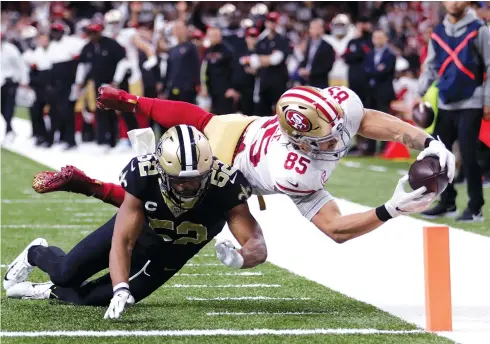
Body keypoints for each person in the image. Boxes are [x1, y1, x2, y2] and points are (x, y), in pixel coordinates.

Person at [36, 84, 455, 244]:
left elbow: (364, 119)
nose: (338, 136)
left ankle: (129, 112)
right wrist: (392, 209)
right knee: (163, 213)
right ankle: (88, 185)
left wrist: (426, 141)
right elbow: (335, 229)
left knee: (202, 118)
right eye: (325, 136)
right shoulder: (294, 170)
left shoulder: (337, 107)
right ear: (302, 141)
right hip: (225, 169)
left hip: (236, 126)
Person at [5, 125, 267, 320]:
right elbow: (123, 241)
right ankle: (35, 252)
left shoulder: (226, 186)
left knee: (95, 299)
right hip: (140, 232)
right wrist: (120, 286)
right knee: (65, 273)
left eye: (196, 179)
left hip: (171, 255)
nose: (187, 187)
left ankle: (47, 291)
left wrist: (242, 258)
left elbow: (256, 242)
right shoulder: (144, 174)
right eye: (179, 180)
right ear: (162, 170)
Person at [418, 1, 489, 222]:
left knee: (468, 156)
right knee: (440, 155)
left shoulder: (480, 29)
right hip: (446, 101)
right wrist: (419, 92)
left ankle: (475, 207)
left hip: (472, 101)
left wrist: (487, 100)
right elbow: (430, 65)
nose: (454, 2)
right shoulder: (438, 31)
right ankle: (446, 203)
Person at [298, 19, 335, 89]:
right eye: (311, 28)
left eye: (315, 28)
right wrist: (301, 68)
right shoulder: (309, 43)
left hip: (320, 83)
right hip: (307, 82)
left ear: (321, 30)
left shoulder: (327, 47)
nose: (312, 30)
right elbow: (307, 59)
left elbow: (328, 67)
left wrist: (310, 72)